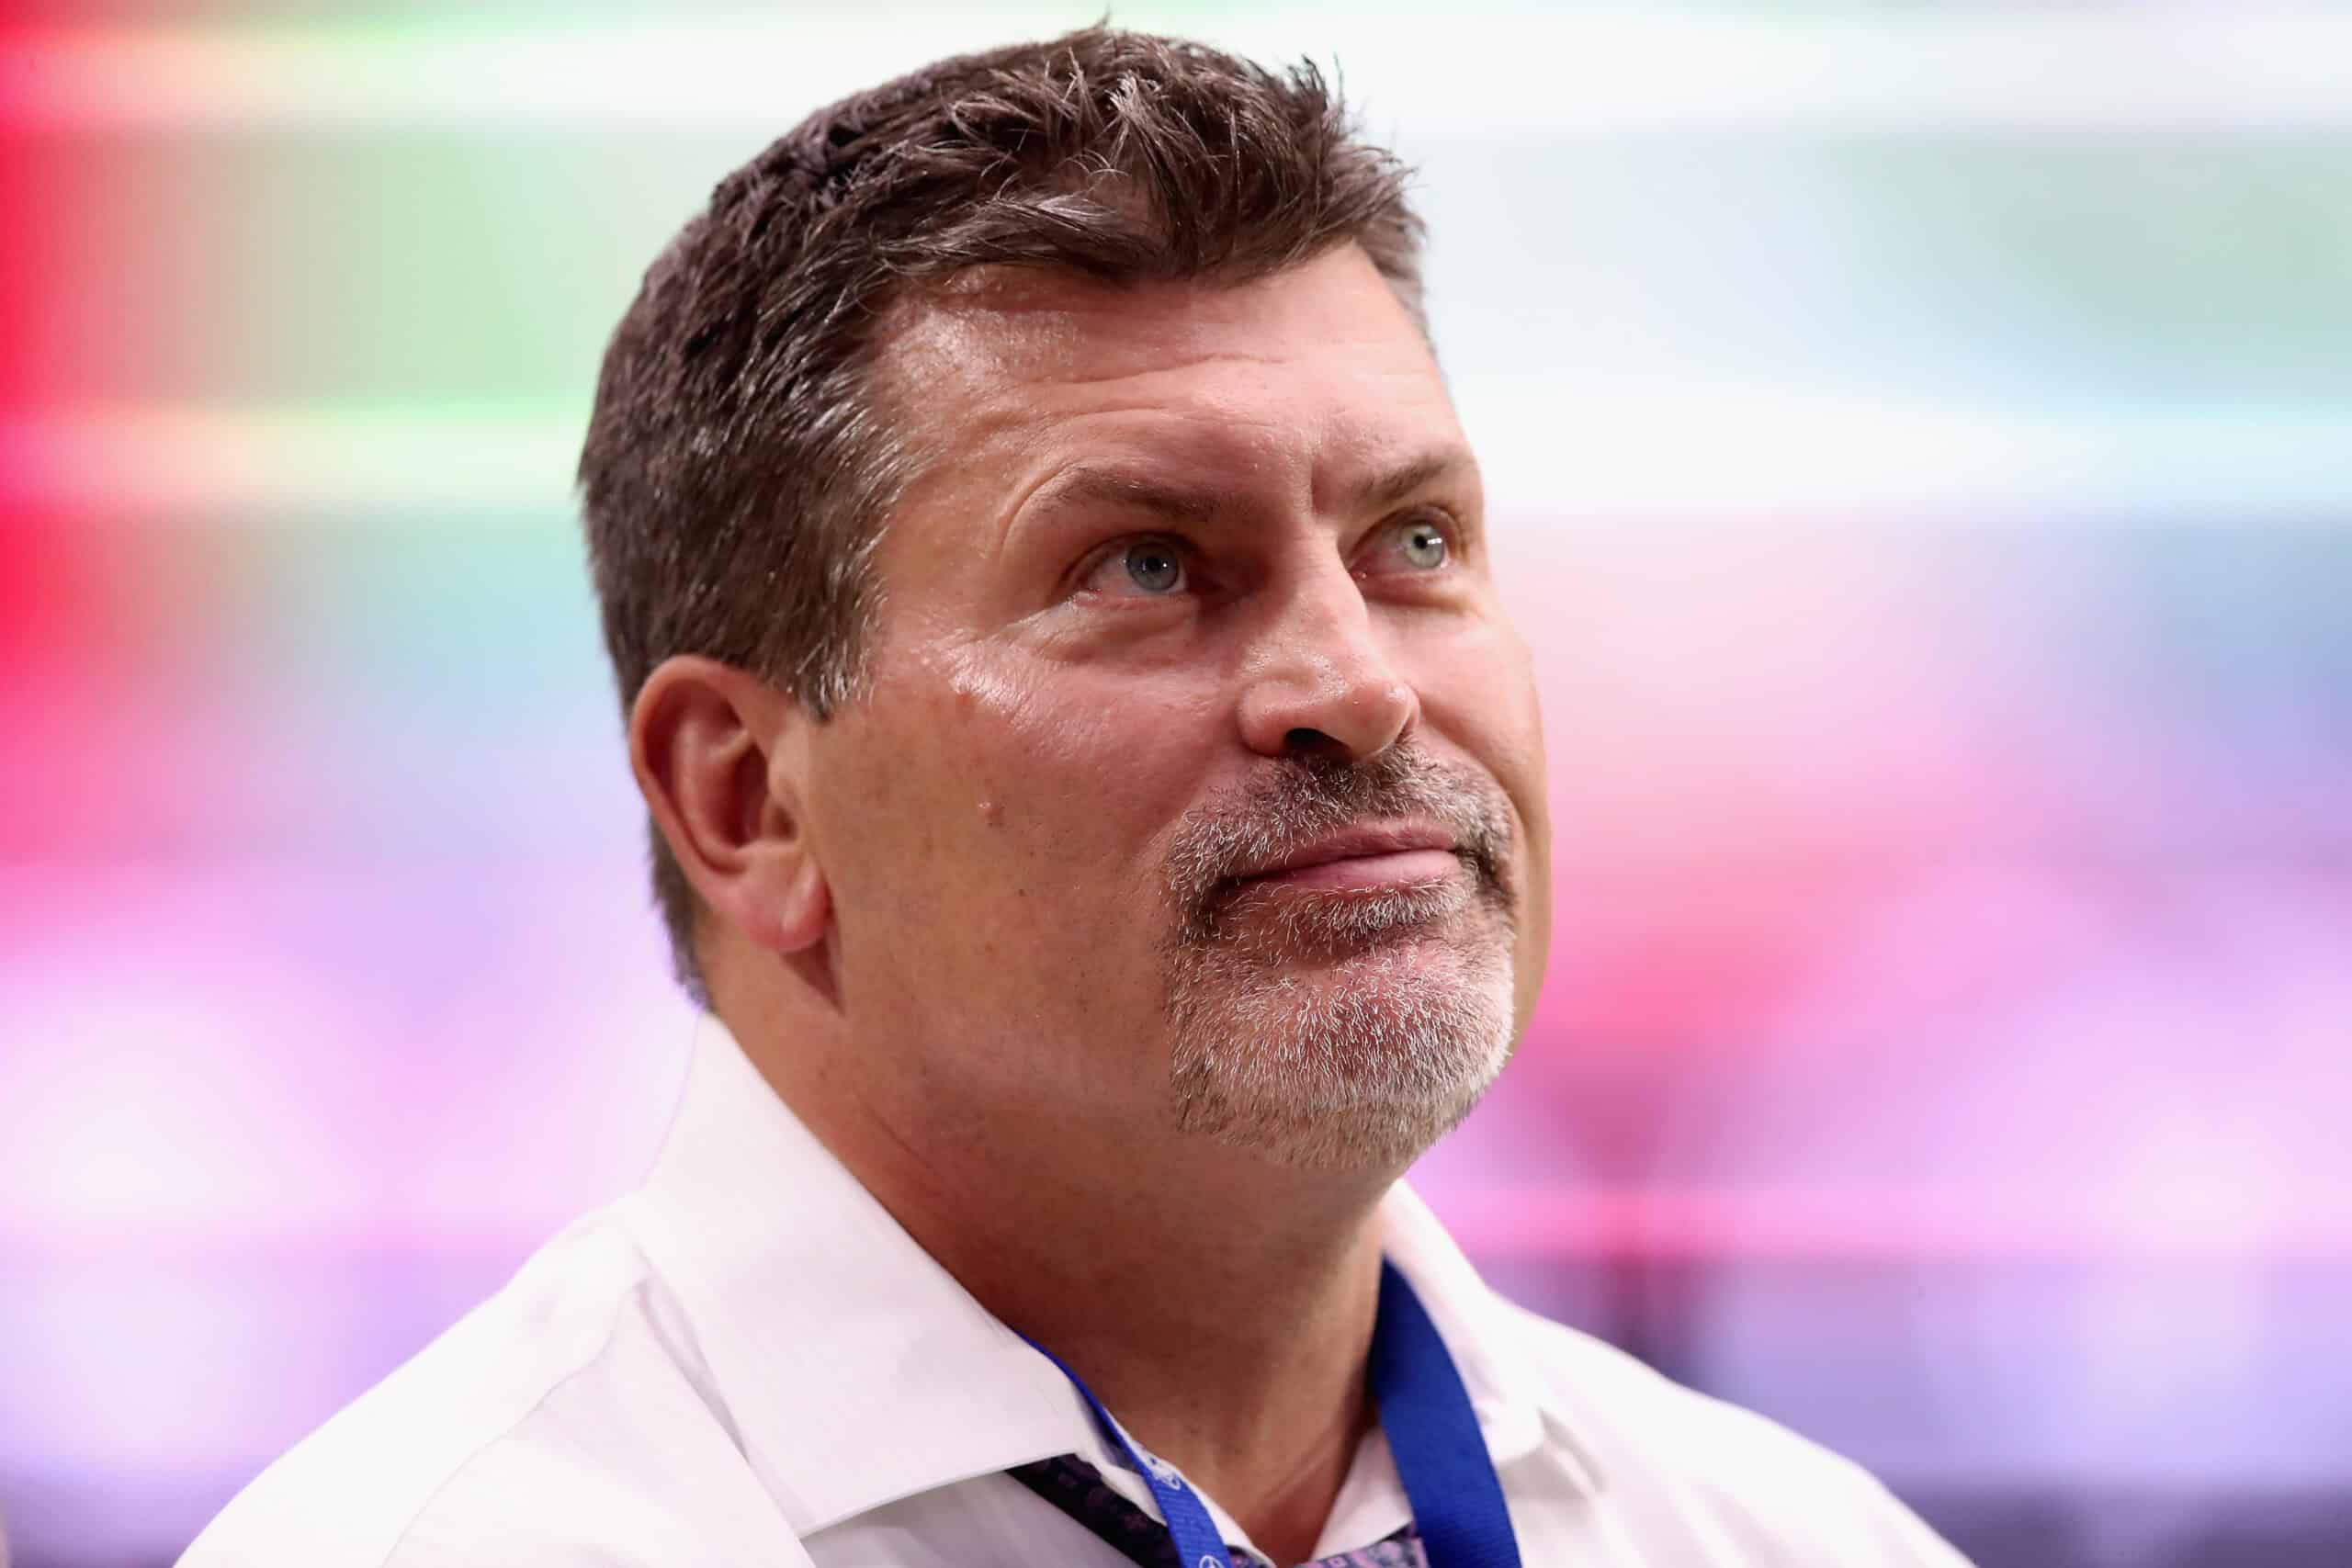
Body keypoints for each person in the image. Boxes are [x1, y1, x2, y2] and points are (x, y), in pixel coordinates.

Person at [183, 28, 1969, 1568]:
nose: (1356, 682)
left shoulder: (1781, 1537)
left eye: (1411, 540)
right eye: (1144, 564)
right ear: (746, 801)